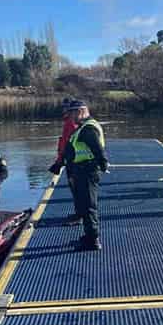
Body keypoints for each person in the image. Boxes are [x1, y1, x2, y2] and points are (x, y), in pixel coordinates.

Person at [64, 101, 109, 251]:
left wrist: (102, 166)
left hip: (88, 171)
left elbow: (97, 149)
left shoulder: (88, 128)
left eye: (72, 113)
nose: (70, 116)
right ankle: (89, 235)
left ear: (81, 112)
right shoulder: (84, 127)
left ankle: (93, 240)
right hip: (83, 170)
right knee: (85, 204)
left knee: (89, 206)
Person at [49, 98, 83, 224]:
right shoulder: (69, 122)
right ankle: (78, 214)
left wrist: (60, 160)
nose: (63, 109)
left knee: (76, 189)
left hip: (73, 161)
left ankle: (79, 216)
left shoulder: (71, 123)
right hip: (70, 160)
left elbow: (68, 144)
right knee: (75, 189)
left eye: (66, 107)